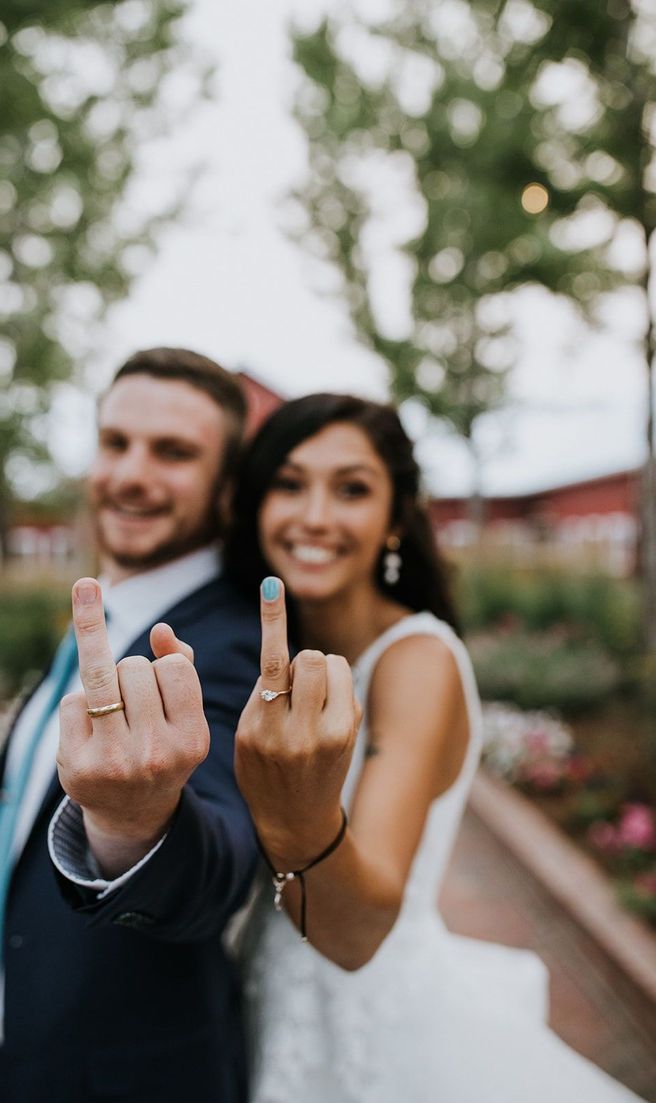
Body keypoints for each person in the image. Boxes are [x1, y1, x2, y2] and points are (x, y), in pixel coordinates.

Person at [225, 392, 645, 1103]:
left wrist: (288, 811)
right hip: (276, 993)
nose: (315, 515)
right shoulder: (279, 650)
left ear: (395, 521)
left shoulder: (416, 659)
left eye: (352, 489)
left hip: (375, 1025)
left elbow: (359, 935)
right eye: (290, 483)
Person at [0, 348, 262, 1103]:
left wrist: (136, 824)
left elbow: (219, 856)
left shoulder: (229, 645)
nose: (130, 473)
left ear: (226, 487)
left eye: (174, 452)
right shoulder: (105, 611)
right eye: (116, 442)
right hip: (3, 1041)